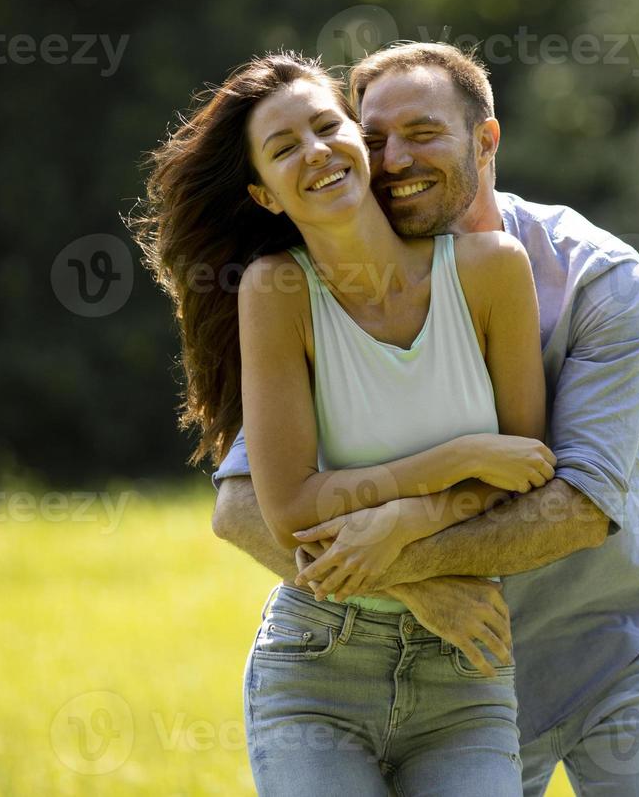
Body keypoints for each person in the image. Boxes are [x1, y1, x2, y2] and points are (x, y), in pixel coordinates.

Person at [211, 42, 639, 795]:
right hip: (462, 653)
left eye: (423, 133)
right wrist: (415, 585)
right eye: (375, 138)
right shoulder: (331, 283)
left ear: (485, 139)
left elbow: (576, 505)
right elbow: (250, 505)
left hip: (604, 642)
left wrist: (403, 540)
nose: (395, 158)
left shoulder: (597, 278)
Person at [136, 50, 554, 795]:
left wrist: (407, 520)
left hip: (466, 673)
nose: (316, 153)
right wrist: (456, 458)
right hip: (319, 666)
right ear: (264, 195)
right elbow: (292, 506)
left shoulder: (493, 270)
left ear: (362, 141)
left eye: (328, 127)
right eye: (283, 148)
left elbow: (523, 470)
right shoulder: (277, 291)